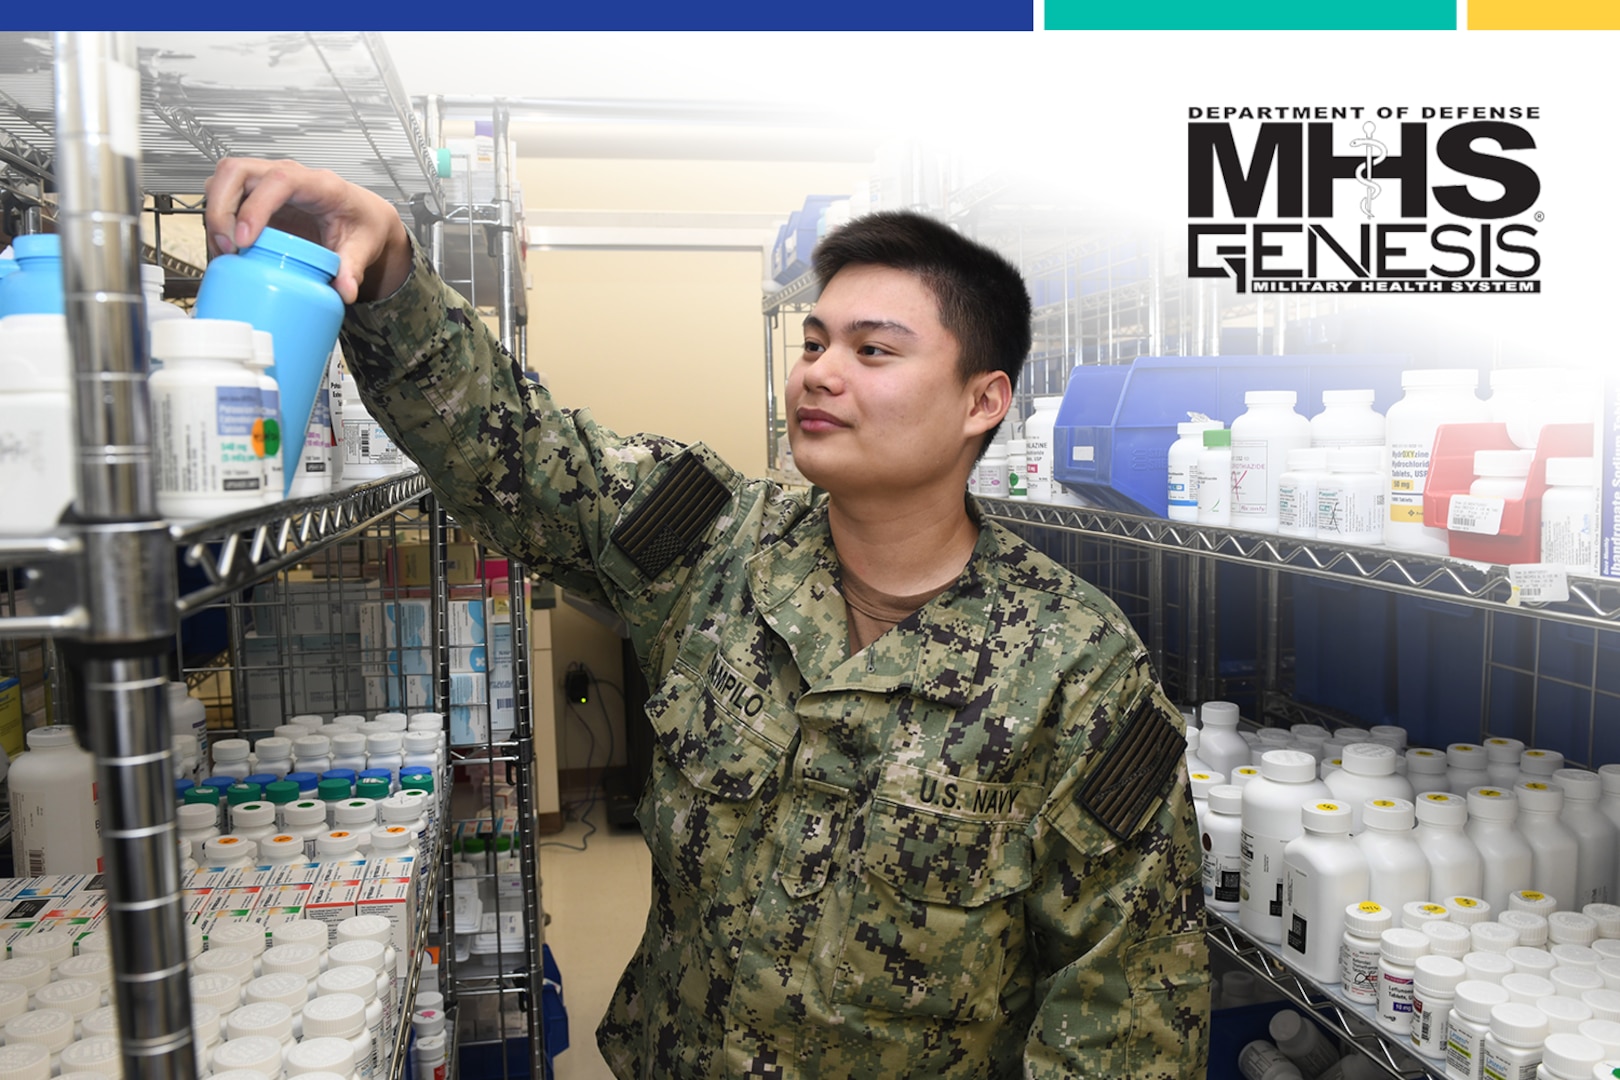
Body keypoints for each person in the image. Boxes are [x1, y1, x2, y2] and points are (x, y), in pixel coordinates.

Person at [206, 158, 1210, 1079]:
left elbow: (1126, 1011)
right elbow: (523, 453)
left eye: (873, 350)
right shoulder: (714, 541)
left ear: (982, 401)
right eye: (815, 341)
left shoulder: (1077, 667)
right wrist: (390, 275)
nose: (819, 370)